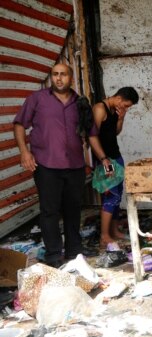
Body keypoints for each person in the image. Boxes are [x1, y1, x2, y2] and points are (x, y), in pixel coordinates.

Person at [13, 63, 101, 268]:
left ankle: (73, 251)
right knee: (49, 211)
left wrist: (102, 159)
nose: (59, 78)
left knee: (73, 209)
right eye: (55, 75)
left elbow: (91, 133)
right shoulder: (37, 99)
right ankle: (53, 255)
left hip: (74, 165)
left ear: (71, 78)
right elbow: (19, 124)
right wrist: (24, 152)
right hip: (46, 165)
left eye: (63, 75)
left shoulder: (80, 103)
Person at [92, 87, 139, 249]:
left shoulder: (115, 110)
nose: (126, 108)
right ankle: (104, 236)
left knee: (118, 195)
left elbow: (114, 133)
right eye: (126, 105)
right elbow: (92, 137)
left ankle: (114, 230)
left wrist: (121, 118)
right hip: (106, 160)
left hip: (116, 157)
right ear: (119, 99)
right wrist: (103, 159)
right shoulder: (99, 109)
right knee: (111, 196)